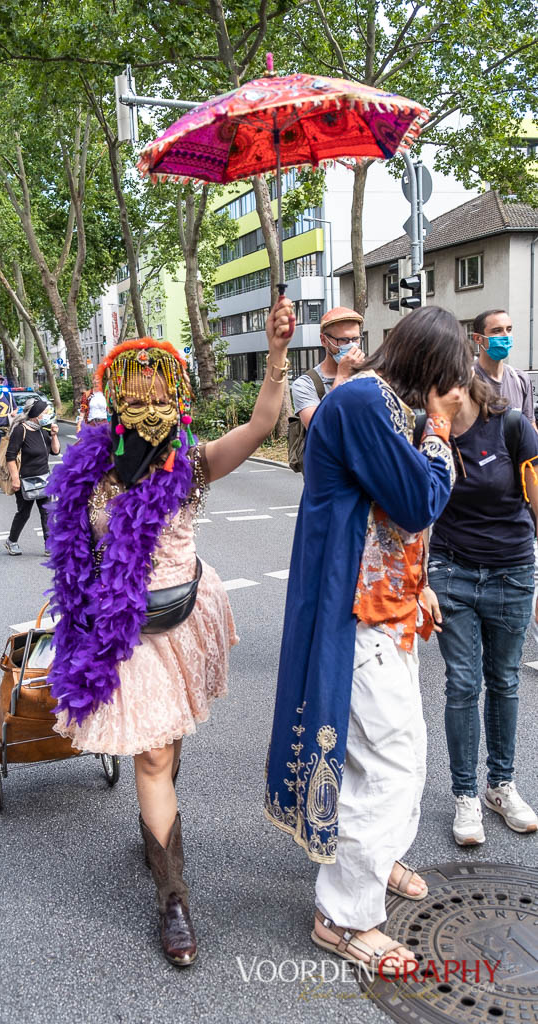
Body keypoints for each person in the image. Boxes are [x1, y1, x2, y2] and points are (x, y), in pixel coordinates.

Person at [47, 300, 295, 967]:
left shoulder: (194, 464)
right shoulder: (86, 473)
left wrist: (275, 354)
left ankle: (155, 831)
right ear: (113, 398)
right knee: (153, 757)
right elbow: (70, 556)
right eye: (133, 391)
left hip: (185, 617)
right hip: (124, 634)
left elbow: (264, 421)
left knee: (169, 745)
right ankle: (174, 899)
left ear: (178, 397)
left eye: (159, 391)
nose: (146, 402)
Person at [265, 306, 470, 976]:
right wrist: (438, 427)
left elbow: (401, 517)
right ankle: (343, 918)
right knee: (382, 765)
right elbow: (417, 500)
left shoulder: (382, 402)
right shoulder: (362, 401)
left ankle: (374, 863)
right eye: (449, 382)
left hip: (389, 608)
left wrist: (419, 585)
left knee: (402, 755)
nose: (452, 396)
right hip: (353, 613)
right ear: (428, 369)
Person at [421, 377, 538, 845]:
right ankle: (465, 794)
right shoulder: (428, 431)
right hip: (453, 572)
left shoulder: (512, 427)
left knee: (505, 680)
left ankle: (501, 785)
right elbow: (418, 506)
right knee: (464, 683)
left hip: (512, 570)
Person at [290, 306, 366, 428]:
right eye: (343, 340)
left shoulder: (368, 375)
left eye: (355, 339)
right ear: (324, 340)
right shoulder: (305, 384)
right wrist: (341, 376)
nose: (351, 346)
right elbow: (319, 428)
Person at [4, 398, 60, 555]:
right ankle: (11, 541)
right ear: (36, 414)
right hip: (25, 480)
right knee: (24, 513)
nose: (48, 415)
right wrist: (15, 479)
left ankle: (49, 544)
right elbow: (10, 456)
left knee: (46, 511)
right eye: (45, 413)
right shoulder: (21, 430)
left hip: (44, 478)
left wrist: (54, 435)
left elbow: (55, 451)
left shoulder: (43, 430)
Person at [472, 309, 535, 427]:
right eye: (497, 331)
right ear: (478, 339)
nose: (506, 336)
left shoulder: (520, 379)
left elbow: (530, 426)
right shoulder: (464, 379)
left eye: (509, 329)